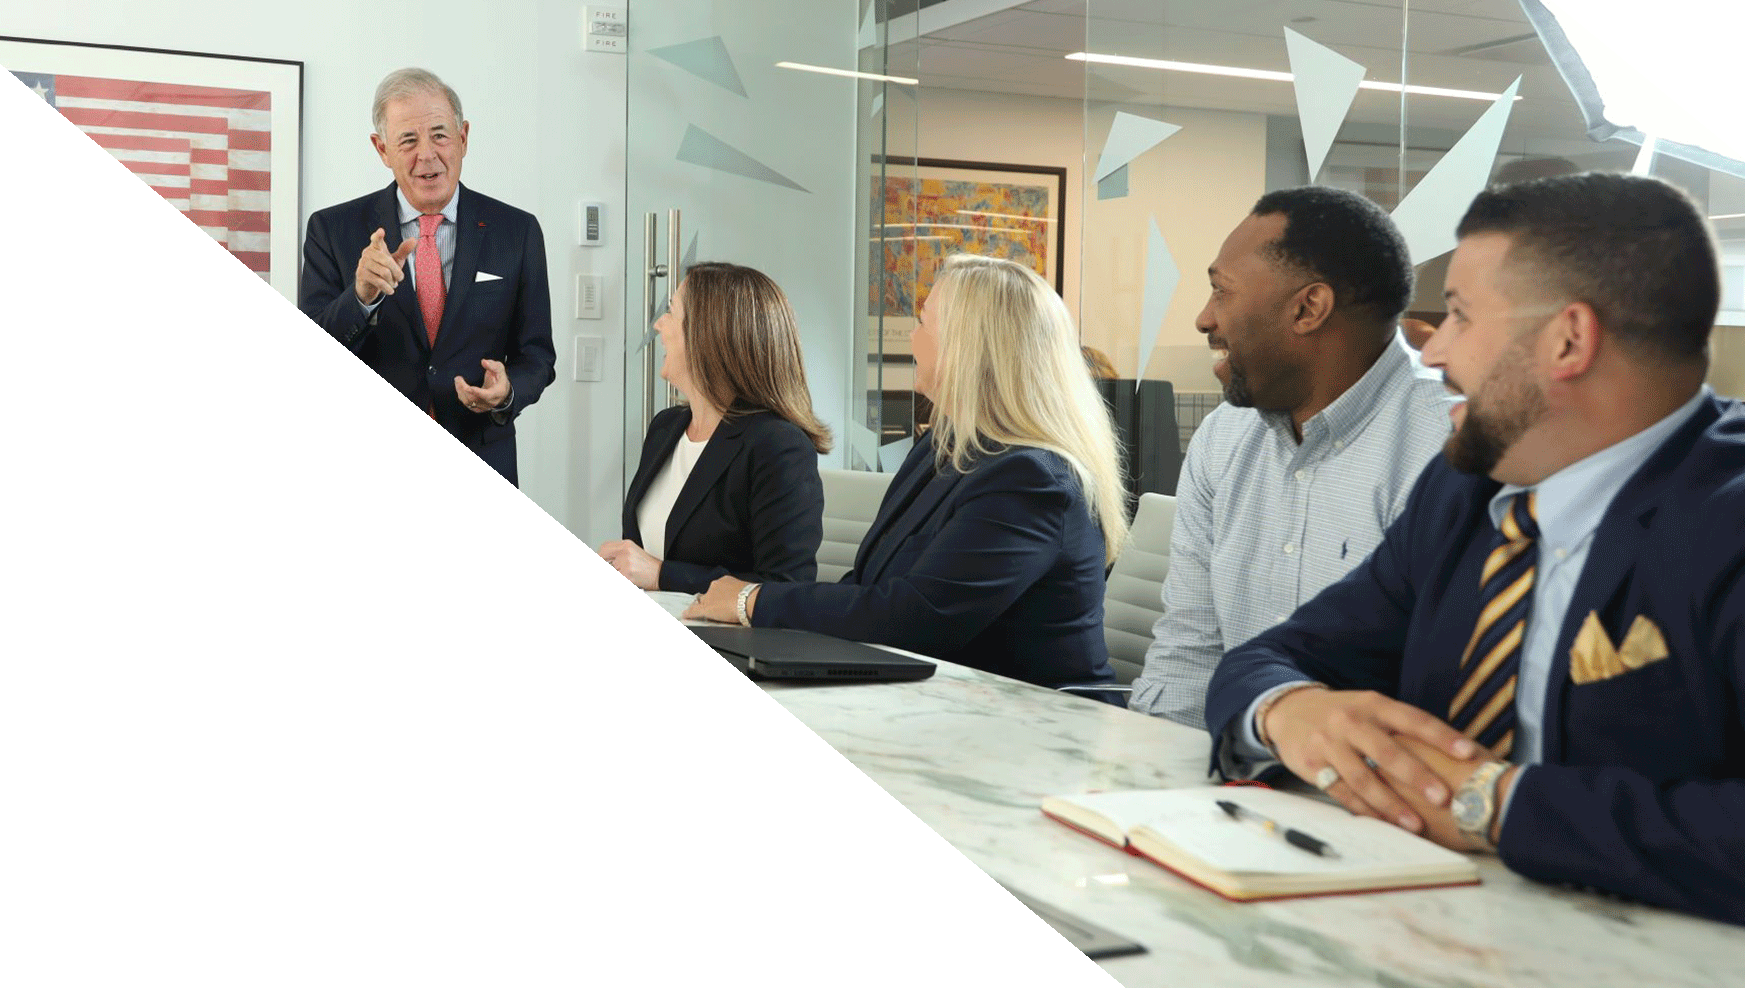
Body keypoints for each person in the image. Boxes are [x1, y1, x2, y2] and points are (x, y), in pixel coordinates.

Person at [1204, 173, 1742, 925]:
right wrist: (1288, 711)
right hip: (1423, 930)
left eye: (1456, 314)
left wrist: (1493, 803)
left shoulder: (1725, 518)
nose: (1432, 352)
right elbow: (1271, 657)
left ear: (1567, 339)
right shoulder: (1463, 493)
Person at [685, 255, 1129, 690]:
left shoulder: (1031, 479)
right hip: (933, 695)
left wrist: (752, 599)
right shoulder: (941, 449)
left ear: (968, 346)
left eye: (922, 322)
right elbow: (867, 585)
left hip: (1037, 723)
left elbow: (919, 616)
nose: (912, 339)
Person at [1129, 187, 1455, 729]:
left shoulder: (1447, 444)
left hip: (1385, 792)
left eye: (1220, 292)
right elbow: (1190, 652)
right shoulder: (1223, 437)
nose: (1204, 319)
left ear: (1308, 308)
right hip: (1234, 768)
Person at [298, 68, 554, 485]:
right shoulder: (333, 229)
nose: (427, 155)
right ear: (382, 149)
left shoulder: (517, 232)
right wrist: (359, 298)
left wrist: (506, 393)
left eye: (439, 134)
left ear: (464, 137)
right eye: (408, 140)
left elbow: (538, 355)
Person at [598, 264, 827, 594]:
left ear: (709, 334)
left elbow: (786, 587)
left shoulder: (778, 447)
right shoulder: (666, 428)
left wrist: (663, 575)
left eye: (671, 313)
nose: (658, 325)